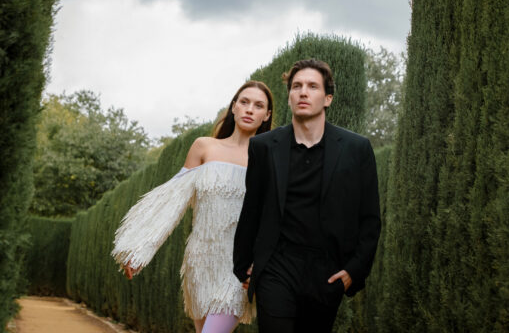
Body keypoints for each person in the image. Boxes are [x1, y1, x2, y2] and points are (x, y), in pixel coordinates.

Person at [112, 81, 273, 333]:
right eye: (244, 102)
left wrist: (260, 262)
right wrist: (138, 248)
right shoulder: (204, 147)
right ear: (233, 107)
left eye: (258, 105)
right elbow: (172, 199)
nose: (250, 109)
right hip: (201, 262)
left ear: (267, 115)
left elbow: (272, 217)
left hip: (239, 268)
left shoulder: (269, 158)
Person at [233, 59, 381, 332]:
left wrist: (354, 270)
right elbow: (252, 208)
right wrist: (242, 266)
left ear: (327, 98)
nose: (303, 92)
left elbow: (370, 218)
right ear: (289, 96)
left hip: (327, 274)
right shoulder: (263, 147)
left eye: (312, 86)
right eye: (297, 86)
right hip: (276, 268)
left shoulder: (356, 148)